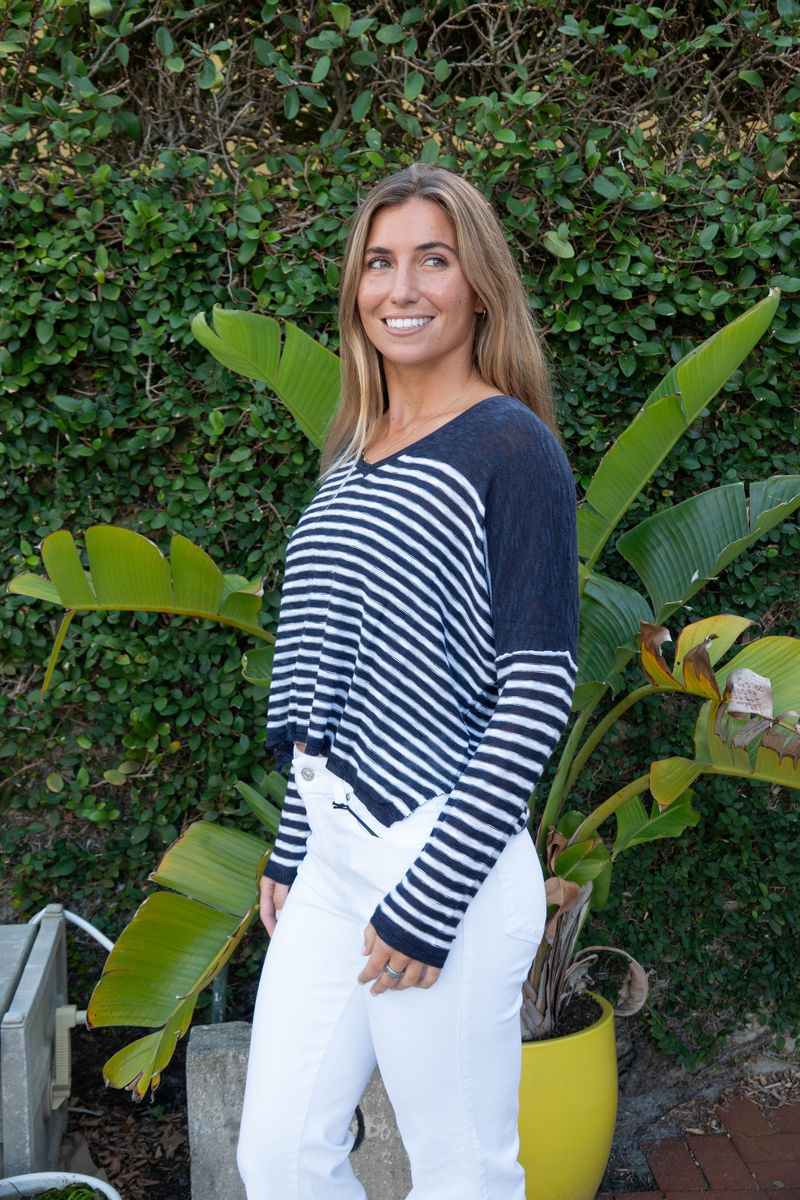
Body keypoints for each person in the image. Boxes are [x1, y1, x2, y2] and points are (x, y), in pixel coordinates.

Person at [236, 163, 579, 1200]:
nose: (402, 288)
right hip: (333, 857)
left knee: (461, 1172)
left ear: (479, 288)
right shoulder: (353, 450)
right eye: (379, 262)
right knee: (280, 1158)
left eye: (433, 260)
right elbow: (327, 669)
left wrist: (431, 895)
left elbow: (537, 687)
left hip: (441, 856)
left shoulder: (512, 447)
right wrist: (295, 840)